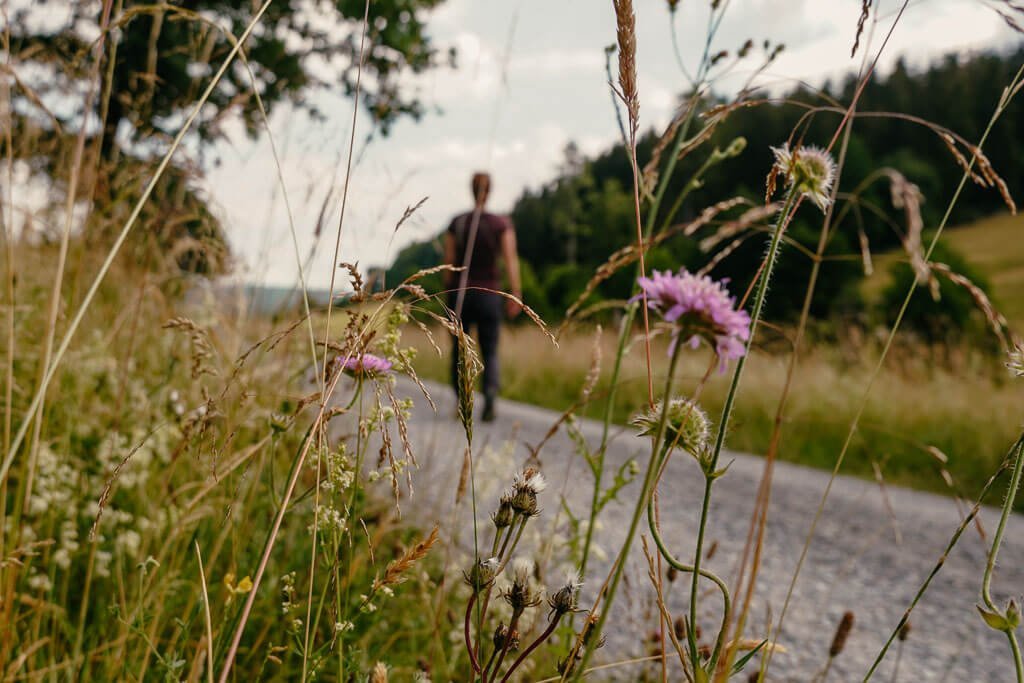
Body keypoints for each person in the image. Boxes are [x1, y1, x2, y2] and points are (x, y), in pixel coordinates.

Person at [444, 172, 522, 422]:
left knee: (460, 351)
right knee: (489, 350)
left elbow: (448, 263)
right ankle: (489, 398)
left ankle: (462, 402)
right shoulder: (501, 224)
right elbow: (510, 259)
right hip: (489, 294)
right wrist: (515, 293)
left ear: (472, 190)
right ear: (489, 192)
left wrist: (448, 293)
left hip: (461, 294)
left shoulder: (457, 223)